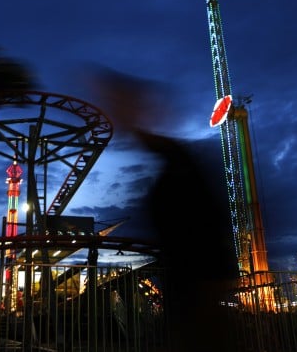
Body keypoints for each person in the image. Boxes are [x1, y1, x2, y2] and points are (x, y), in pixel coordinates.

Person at [86, 66, 240, 351]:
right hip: (189, 294)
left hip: (197, 294)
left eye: (121, 104)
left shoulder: (180, 166)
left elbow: (206, 230)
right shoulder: (176, 165)